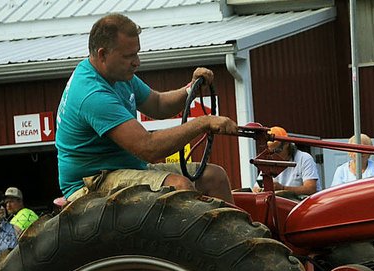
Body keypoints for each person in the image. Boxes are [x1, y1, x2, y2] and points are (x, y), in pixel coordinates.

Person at [55, 13, 237, 204]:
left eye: (137, 52)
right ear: (102, 54)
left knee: (214, 177)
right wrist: (203, 123)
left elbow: (158, 104)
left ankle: (239, 235)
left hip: (123, 169)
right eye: (129, 56)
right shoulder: (92, 94)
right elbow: (148, 148)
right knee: (179, 187)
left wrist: (191, 88)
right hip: (92, 182)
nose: (137, 61)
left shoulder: (118, 77)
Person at [251, 126, 321, 198]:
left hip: (302, 204)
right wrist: (258, 190)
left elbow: (310, 189)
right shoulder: (270, 160)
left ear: (287, 144)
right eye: (271, 152)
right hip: (280, 205)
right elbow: (256, 188)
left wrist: (282, 188)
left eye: (277, 150)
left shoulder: (304, 158)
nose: (274, 155)